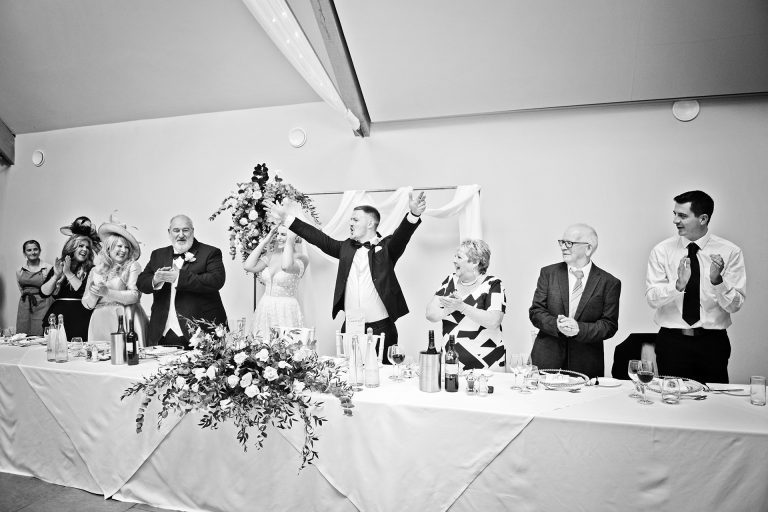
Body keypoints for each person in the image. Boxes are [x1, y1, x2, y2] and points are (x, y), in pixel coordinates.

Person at [265, 192, 427, 363]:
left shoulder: (387, 248)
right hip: (351, 326)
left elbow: (402, 235)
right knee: (351, 378)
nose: (350, 222)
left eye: (355, 219)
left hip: (382, 328)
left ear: (370, 223)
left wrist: (414, 214)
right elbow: (318, 238)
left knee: (384, 378)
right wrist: (287, 218)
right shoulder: (345, 248)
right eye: (350, 219)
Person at [646, 190, 745, 384]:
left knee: (713, 406)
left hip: (712, 343)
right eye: (674, 214)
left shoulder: (730, 251)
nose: (675, 220)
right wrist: (678, 285)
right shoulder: (661, 250)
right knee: (672, 401)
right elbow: (651, 299)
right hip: (672, 342)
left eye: (682, 215)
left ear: (703, 219)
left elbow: (735, 306)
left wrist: (718, 282)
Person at [529, 224, 621, 378]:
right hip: (546, 361)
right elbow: (536, 312)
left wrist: (579, 328)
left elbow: (609, 325)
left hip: (586, 364)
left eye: (569, 243)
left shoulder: (609, 283)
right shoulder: (548, 273)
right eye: (562, 242)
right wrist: (557, 325)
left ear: (588, 249)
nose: (563, 247)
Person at [137, 215, 227, 348]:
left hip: (201, 331)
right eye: (176, 230)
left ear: (192, 231)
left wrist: (179, 278)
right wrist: (156, 279)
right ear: (169, 232)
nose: (181, 235)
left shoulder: (210, 252)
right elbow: (141, 283)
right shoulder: (158, 254)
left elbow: (216, 280)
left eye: (185, 230)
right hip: (162, 331)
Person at [425, 239, 506, 370]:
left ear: (475, 262)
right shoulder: (449, 281)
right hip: (451, 361)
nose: (454, 260)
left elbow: (494, 321)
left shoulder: (493, 284)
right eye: (455, 256)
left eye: (459, 257)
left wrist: (462, 307)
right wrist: (448, 309)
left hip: (488, 364)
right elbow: (430, 314)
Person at [82, 219, 149, 343]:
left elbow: (135, 296)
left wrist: (107, 292)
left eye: (127, 247)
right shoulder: (95, 271)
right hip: (99, 322)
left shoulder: (133, 266)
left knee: (125, 356)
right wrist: (94, 293)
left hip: (124, 320)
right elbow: (87, 304)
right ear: (109, 248)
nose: (123, 250)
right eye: (119, 246)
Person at [243, 224, 308, 339]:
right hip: (265, 307)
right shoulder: (271, 255)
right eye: (277, 234)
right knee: (260, 347)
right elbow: (248, 266)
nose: (278, 238)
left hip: (286, 310)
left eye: (283, 234)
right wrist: (265, 240)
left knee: (285, 348)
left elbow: (286, 266)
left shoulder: (301, 258)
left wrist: (289, 241)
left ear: (293, 236)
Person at [39, 234, 97, 340]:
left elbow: (83, 292)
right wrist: (56, 275)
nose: (85, 249)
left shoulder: (92, 269)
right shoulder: (59, 266)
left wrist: (68, 273)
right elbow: (43, 293)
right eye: (81, 246)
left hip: (81, 317)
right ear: (72, 248)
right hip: (57, 315)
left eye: (88, 247)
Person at [15, 240, 53, 336]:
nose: (33, 252)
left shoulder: (48, 268)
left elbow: (51, 288)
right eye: (29, 250)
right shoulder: (19, 270)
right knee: (23, 333)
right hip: (25, 304)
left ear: (40, 251)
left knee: (40, 332)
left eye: (35, 249)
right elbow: (21, 289)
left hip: (43, 304)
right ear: (24, 253)